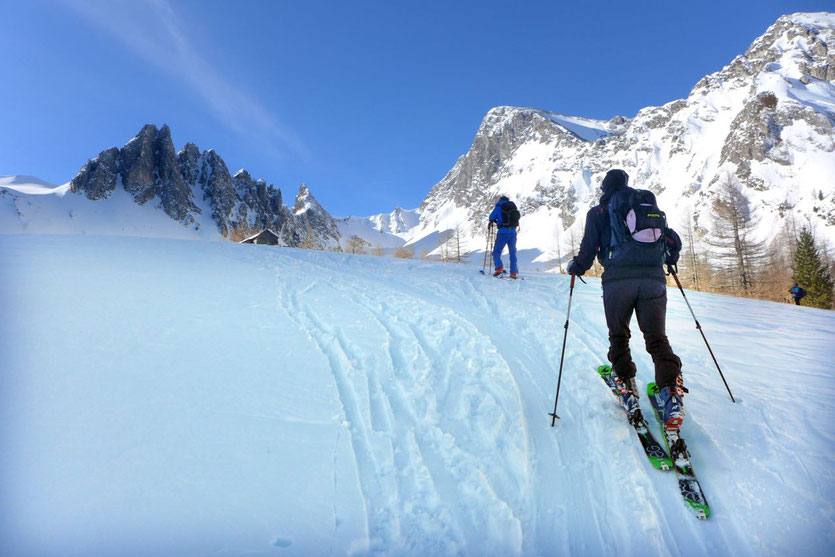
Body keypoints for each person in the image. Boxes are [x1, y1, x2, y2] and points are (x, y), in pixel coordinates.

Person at [566, 169, 685, 430]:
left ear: (605, 188)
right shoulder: (646, 206)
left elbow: (588, 249)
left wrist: (576, 267)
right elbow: (669, 240)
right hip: (653, 280)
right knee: (657, 339)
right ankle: (670, 395)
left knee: (619, 335)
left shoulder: (599, 212)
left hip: (618, 282)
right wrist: (669, 262)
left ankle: (627, 386)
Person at [489, 195, 519, 279]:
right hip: (513, 232)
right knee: (513, 253)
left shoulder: (499, 207)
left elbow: (491, 217)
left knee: (497, 251)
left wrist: (495, 220)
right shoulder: (512, 207)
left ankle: (499, 268)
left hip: (503, 232)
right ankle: (513, 272)